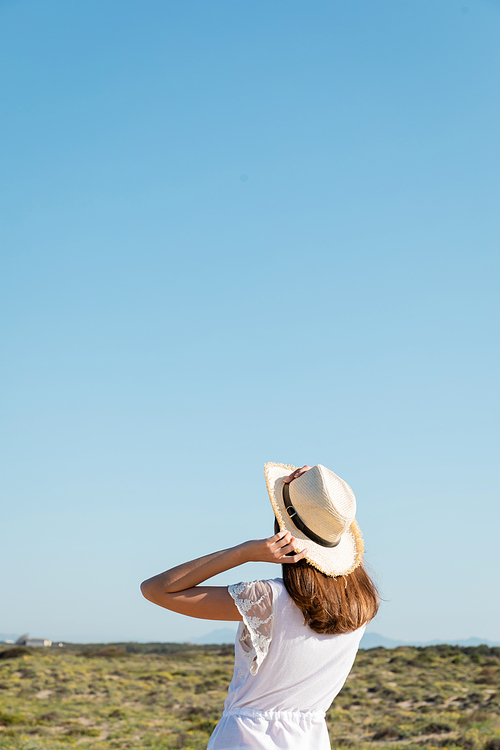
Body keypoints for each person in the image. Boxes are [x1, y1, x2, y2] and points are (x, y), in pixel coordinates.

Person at [141, 462, 379, 750]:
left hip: (245, 740)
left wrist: (243, 552)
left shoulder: (267, 599)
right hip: (311, 741)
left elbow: (156, 589)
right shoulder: (360, 606)